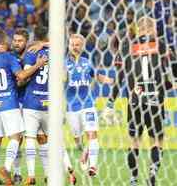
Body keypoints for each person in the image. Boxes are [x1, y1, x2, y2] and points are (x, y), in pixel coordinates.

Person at [107, 16, 176, 186]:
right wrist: (169, 85)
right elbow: (169, 75)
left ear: (138, 29)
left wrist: (110, 102)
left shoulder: (128, 47)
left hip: (135, 102)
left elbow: (121, 77)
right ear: (153, 29)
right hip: (156, 101)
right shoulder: (161, 46)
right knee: (157, 141)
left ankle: (133, 179)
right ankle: (152, 174)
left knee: (134, 142)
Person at [0, 29, 47, 185]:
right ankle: (9, 169)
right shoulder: (10, 57)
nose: (16, 43)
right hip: (12, 101)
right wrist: (37, 65)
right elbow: (21, 76)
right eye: (14, 41)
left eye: (19, 41)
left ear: (27, 42)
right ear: (7, 43)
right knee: (16, 138)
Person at [22, 26, 76, 185]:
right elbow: (64, 76)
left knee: (31, 138)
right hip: (50, 104)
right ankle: (69, 169)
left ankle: (31, 176)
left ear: (34, 36)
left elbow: (25, 76)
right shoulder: (57, 52)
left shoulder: (31, 53)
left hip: (32, 102)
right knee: (55, 140)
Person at [65, 34, 113, 177]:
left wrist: (108, 80)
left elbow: (95, 75)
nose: (75, 47)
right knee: (78, 141)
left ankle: (93, 166)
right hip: (72, 107)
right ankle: (84, 152)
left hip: (88, 104)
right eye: (73, 44)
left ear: (82, 46)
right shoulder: (63, 64)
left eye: (78, 44)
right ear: (69, 46)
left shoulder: (87, 62)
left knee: (92, 134)